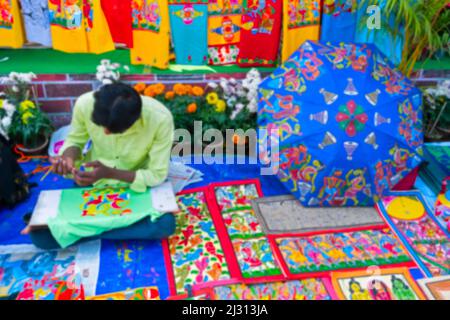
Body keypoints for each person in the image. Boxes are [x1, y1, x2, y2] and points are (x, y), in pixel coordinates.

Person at [21, 83, 176, 249]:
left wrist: (110, 173)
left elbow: (156, 175)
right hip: (93, 182)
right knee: (40, 238)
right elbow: (75, 140)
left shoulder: (160, 119)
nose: (106, 133)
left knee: (165, 224)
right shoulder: (85, 104)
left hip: (137, 185)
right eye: (101, 126)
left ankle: (80, 230)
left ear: (134, 121)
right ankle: (117, 227)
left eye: (113, 130)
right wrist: (68, 158)